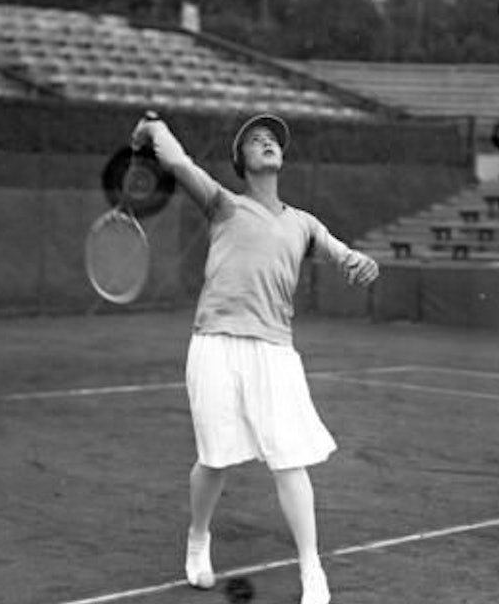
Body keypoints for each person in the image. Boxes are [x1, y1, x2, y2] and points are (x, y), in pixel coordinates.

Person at [131, 112, 379, 604]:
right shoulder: (223, 204)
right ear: (241, 162)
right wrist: (151, 130)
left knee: (289, 461)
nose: (266, 143)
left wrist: (359, 263)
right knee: (215, 460)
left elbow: (341, 253)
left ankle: (312, 570)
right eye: (255, 141)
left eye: (272, 140)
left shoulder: (304, 224)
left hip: (275, 352)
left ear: (281, 158)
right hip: (215, 344)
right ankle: (198, 538)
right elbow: (177, 161)